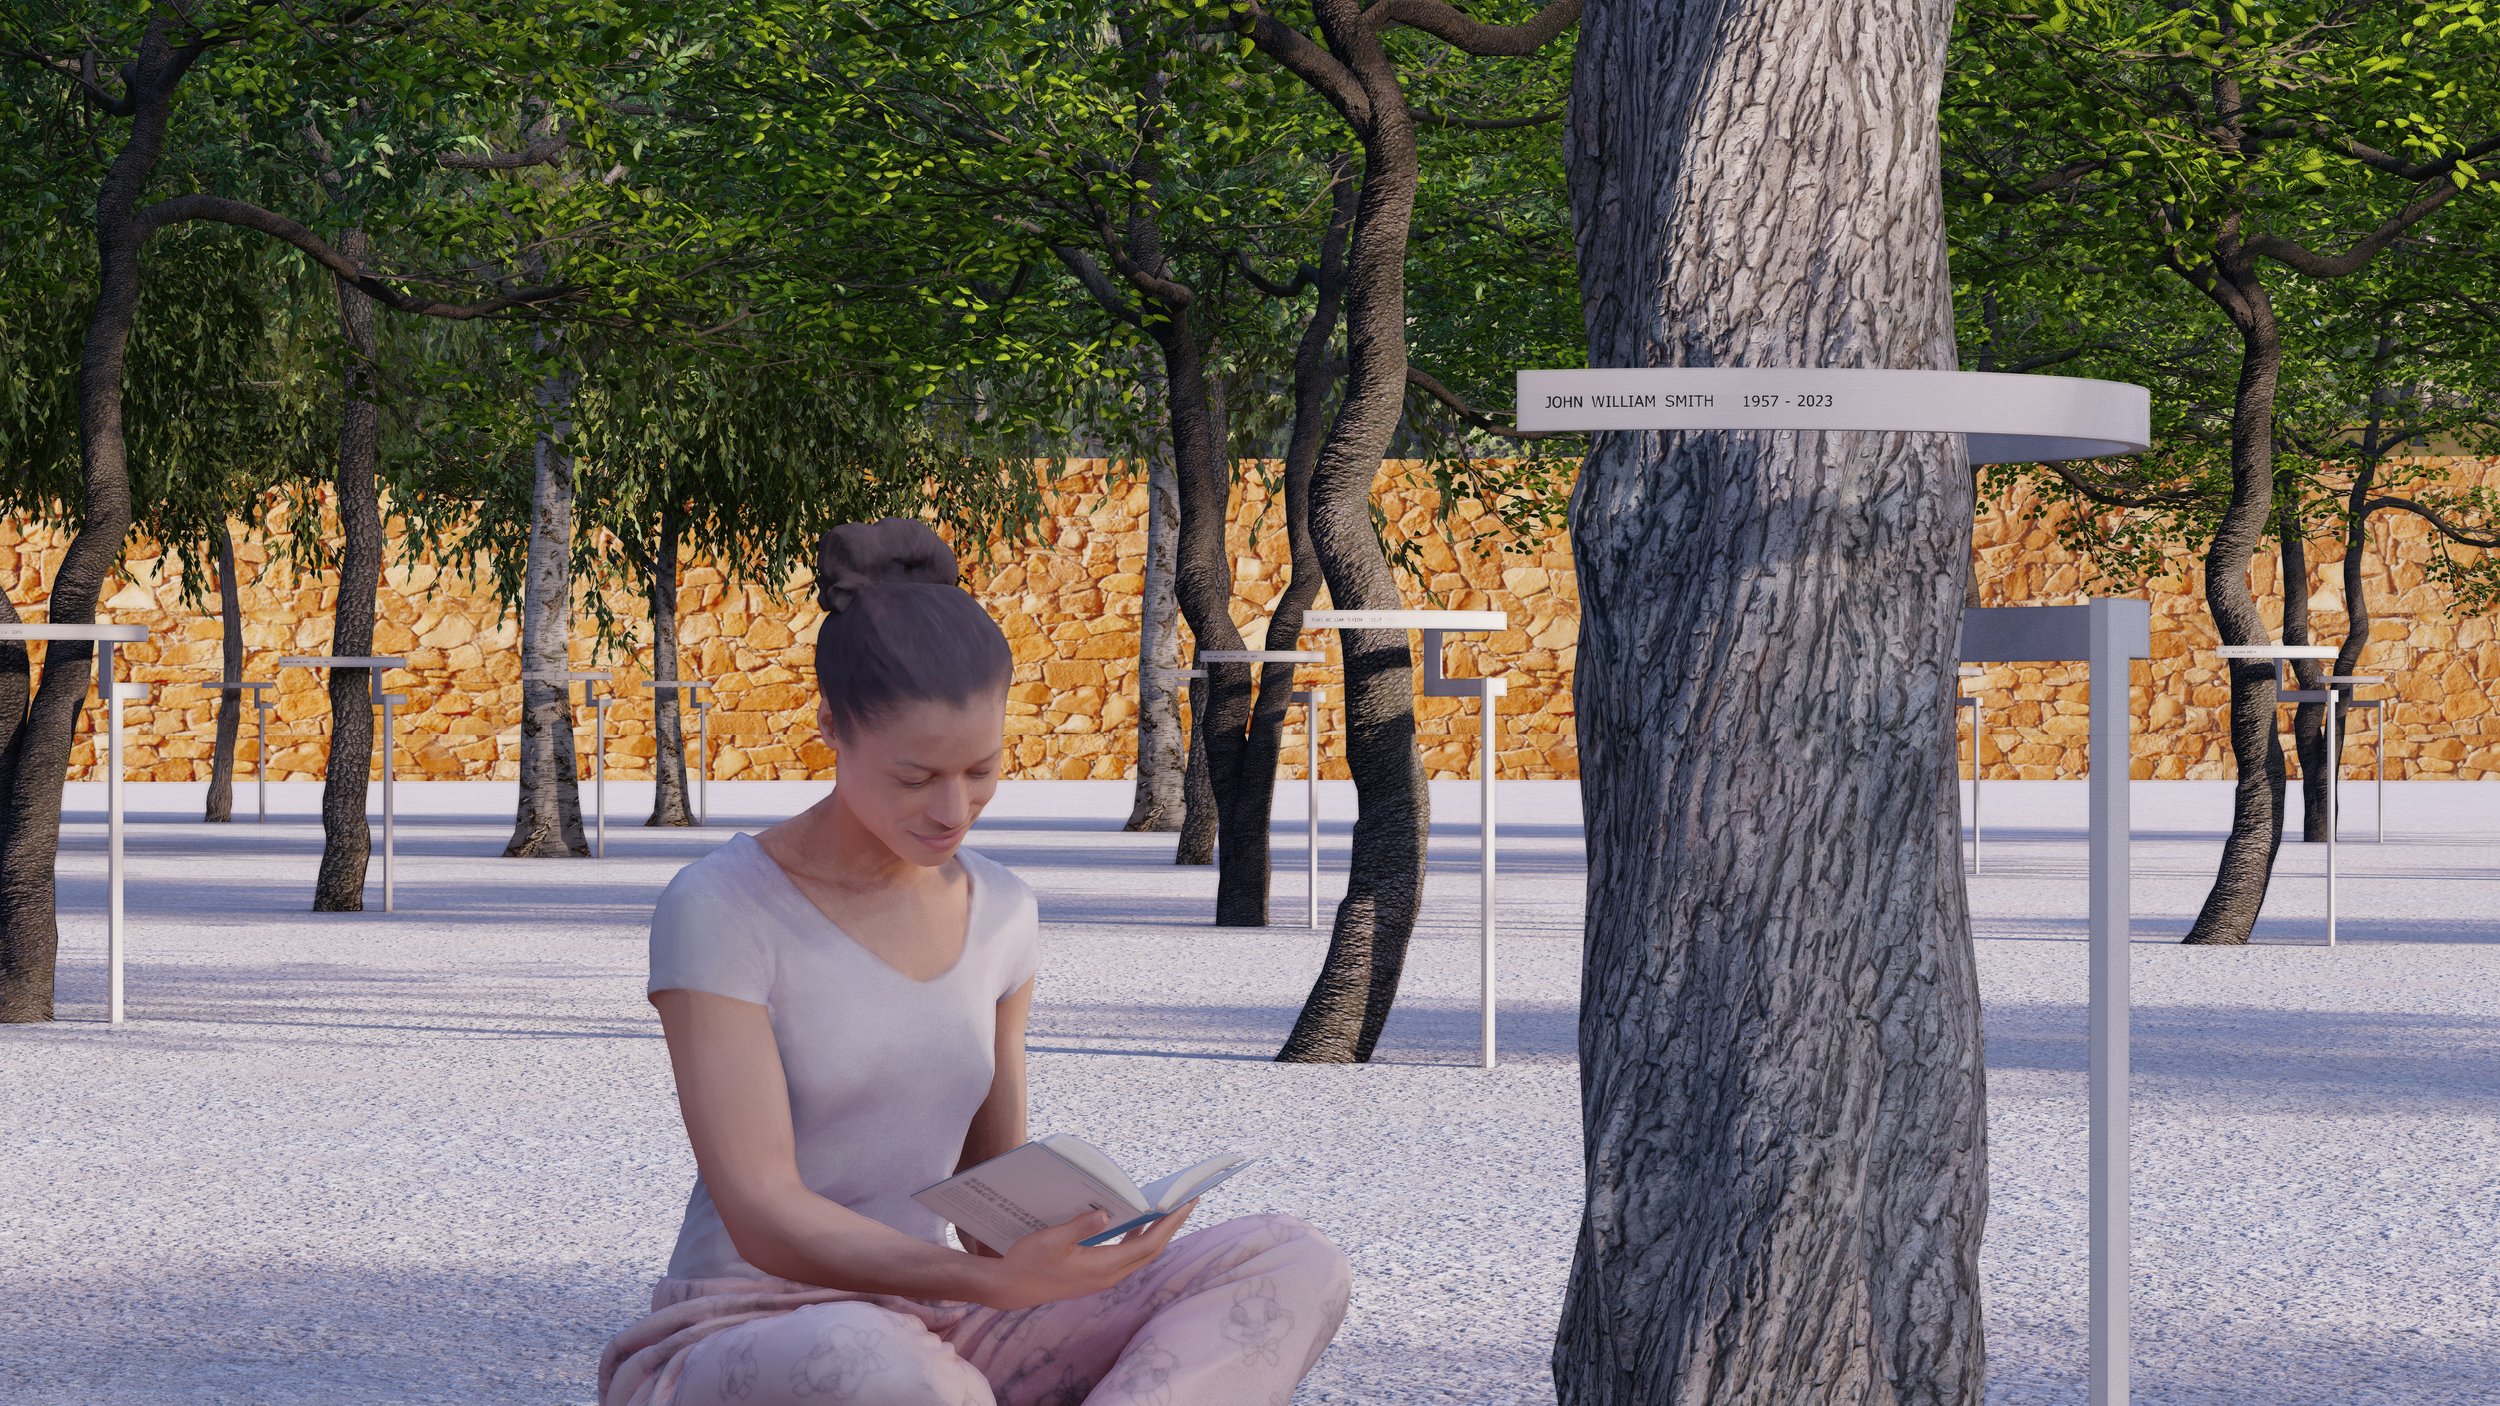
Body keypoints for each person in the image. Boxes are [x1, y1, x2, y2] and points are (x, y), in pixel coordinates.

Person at [599, 519, 1350, 1406]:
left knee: (1288, 1263)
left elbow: (987, 1203)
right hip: (750, 1328)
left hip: (945, 1321)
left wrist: (1071, 1246)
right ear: (831, 725)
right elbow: (762, 1212)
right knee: (900, 1375)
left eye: (982, 771)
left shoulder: (1002, 911)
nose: (953, 810)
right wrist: (991, 1284)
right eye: (916, 778)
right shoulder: (722, 906)